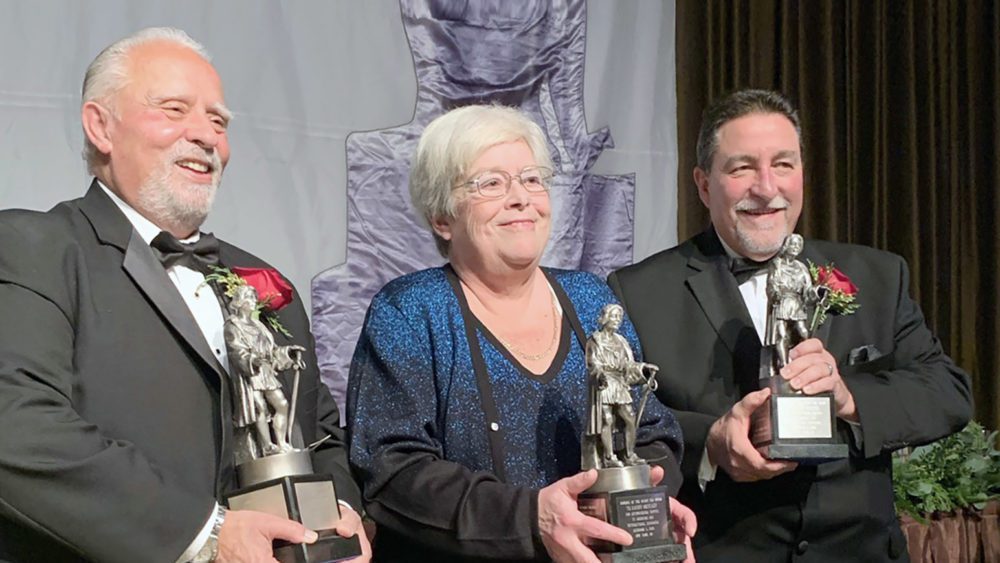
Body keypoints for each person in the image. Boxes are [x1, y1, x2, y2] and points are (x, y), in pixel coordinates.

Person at [0, 28, 369, 563]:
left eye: (218, 122)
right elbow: (17, 425)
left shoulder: (264, 280)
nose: (205, 136)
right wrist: (209, 536)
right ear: (100, 125)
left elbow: (320, 434)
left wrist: (339, 514)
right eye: (174, 109)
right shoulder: (34, 246)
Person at [608, 89, 972, 562]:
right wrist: (712, 442)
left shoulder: (878, 275)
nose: (766, 187)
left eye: (783, 164)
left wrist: (850, 398)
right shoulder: (638, 290)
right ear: (703, 184)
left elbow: (947, 392)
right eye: (742, 168)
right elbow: (622, 424)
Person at [347, 104, 696, 563]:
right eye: (491, 183)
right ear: (442, 218)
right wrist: (533, 517)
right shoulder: (409, 310)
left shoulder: (591, 301)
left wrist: (646, 500)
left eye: (532, 179)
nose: (521, 198)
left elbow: (651, 432)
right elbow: (392, 470)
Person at [585, 304, 658, 468]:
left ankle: (629, 454)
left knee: (629, 417)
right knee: (607, 419)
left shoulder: (621, 341)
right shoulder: (594, 340)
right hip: (604, 383)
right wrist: (600, 374)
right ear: (605, 318)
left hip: (619, 383)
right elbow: (592, 363)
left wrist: (644, 368)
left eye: (619, 317)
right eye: (614, 316)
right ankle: (609, 456)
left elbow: (629, 364)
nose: (617, 320)